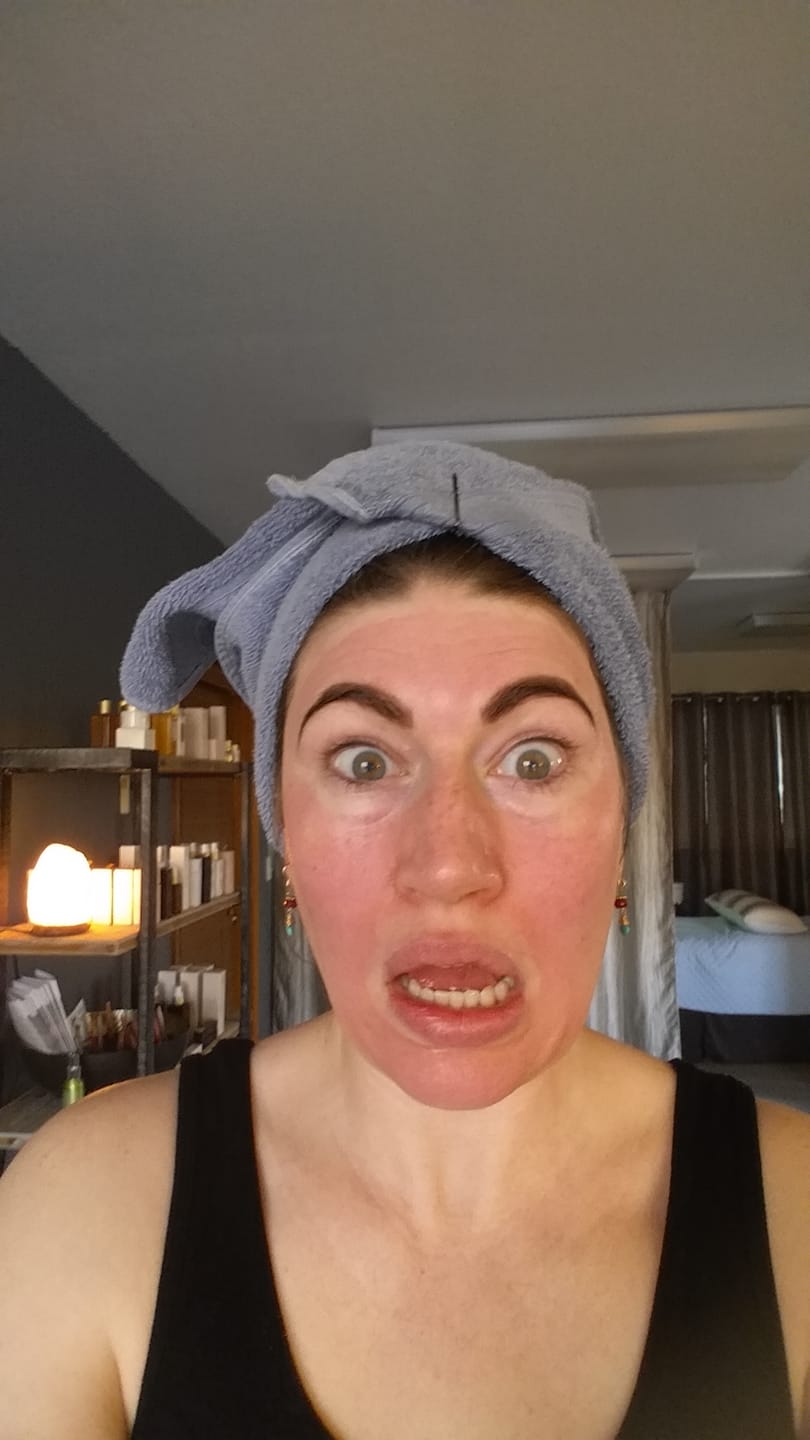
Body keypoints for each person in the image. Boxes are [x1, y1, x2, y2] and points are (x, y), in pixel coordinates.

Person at [0, 442, 807, 1440]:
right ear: (285, 839)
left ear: (621, 827)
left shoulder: (798, 1214)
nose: (449, 865)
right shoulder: (85, 1209)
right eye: (364, 761)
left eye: (534, 758)